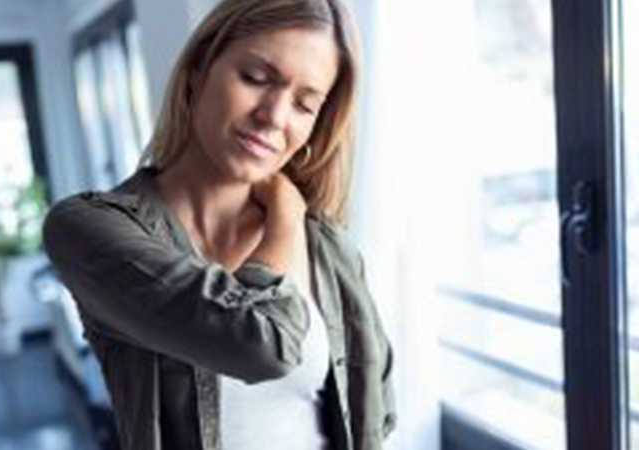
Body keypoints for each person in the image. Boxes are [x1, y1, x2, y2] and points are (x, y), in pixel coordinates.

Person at [42, 0, 396, 449]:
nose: (274, 116)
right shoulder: (86, 229)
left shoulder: (328, 247)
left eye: (304, 105)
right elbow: (260, 345)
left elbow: (376, 411)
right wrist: (286, 217)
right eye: (256, 78)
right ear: (198, 70)